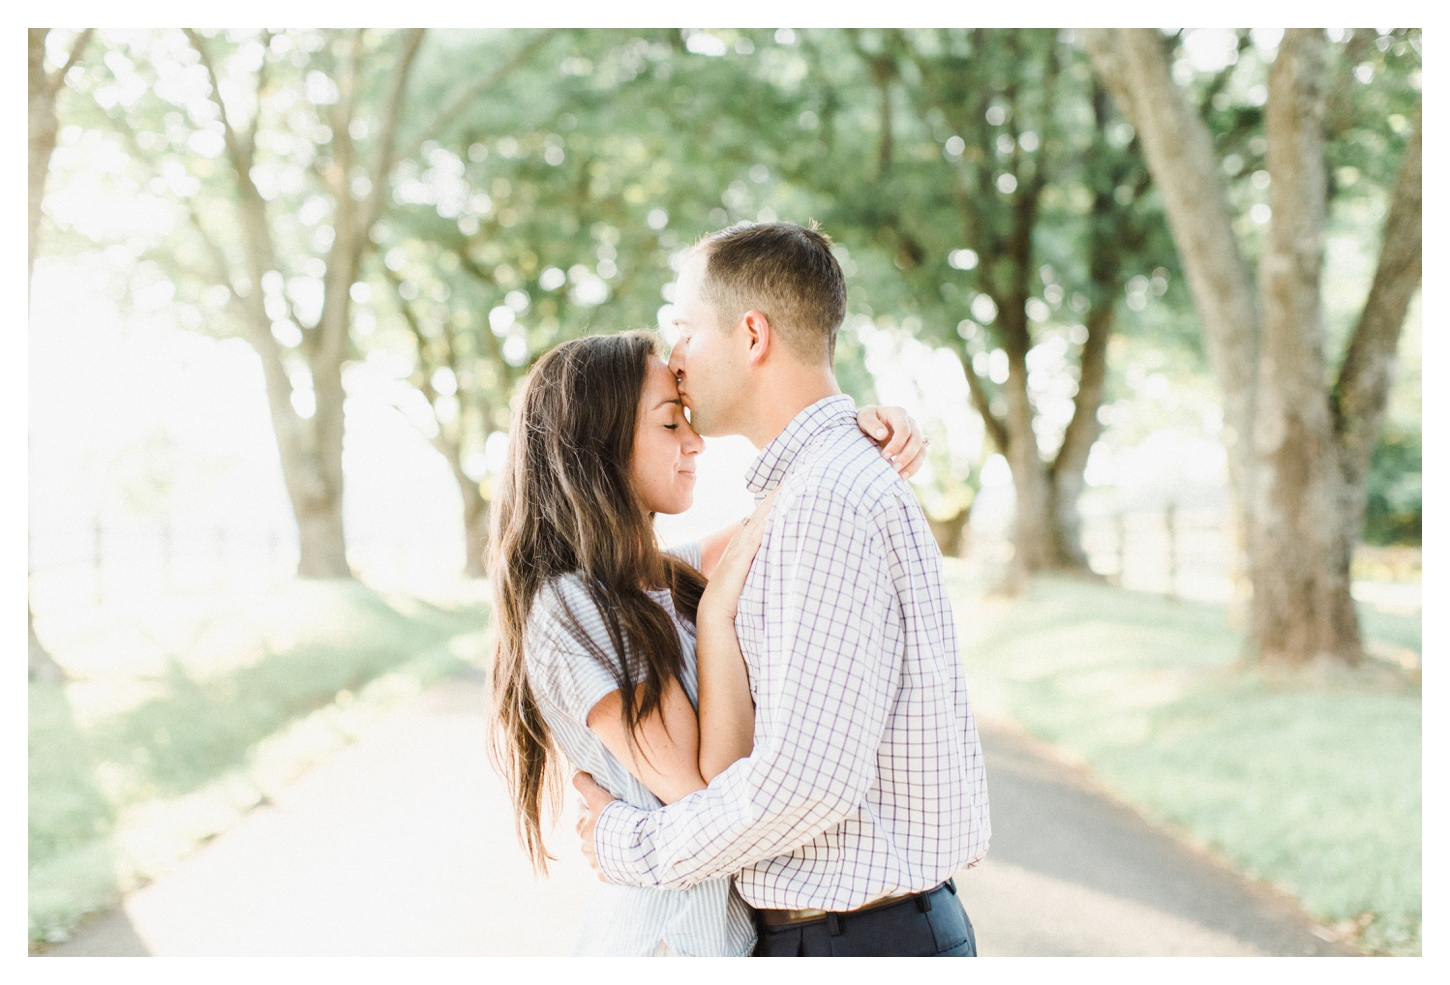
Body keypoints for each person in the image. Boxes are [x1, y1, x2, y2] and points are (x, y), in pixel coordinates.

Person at [573, 221, 991, 957]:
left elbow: (806, 783)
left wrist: (630, 845)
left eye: (686, 330)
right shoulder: (819, 487)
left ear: (753, 335)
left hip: (857, 941)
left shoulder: (825, 499)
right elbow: (644, 573)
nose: (674, 358)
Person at [486, 329, 927, 956]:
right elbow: (705, 792)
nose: (694, 442)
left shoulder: (657, 579)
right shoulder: (575, 606)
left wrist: (857, 431)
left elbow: (785, 509)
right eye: (671, 424)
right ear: (600, 446)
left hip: (715, 939)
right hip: (664, 944)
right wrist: (717, 616)